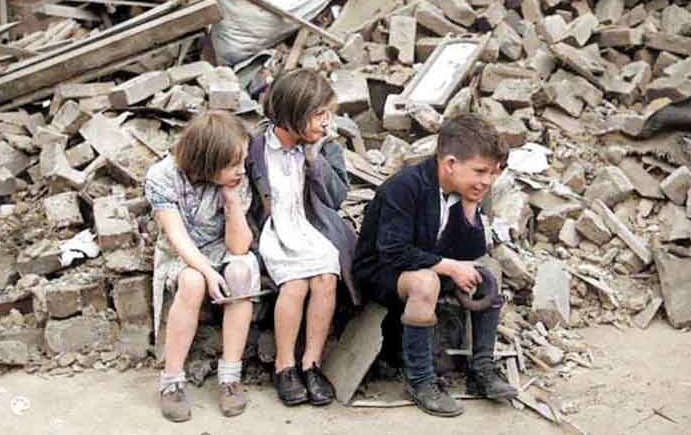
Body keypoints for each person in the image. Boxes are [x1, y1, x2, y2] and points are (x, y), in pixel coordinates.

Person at [353, 113, 518, 417]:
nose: (487, 181)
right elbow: (393, 252)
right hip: (382, 273)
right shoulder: (405, 187)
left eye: (491, 173)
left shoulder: (465, 189)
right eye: (480, 171)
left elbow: (472, 252)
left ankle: (481, 367)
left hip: (428, 264)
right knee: (426, 282)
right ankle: (420, 379)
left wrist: (469, 211)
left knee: (489, 273)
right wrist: (450, 268)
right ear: (451, 163)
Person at [246, 69, 360, 407]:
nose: (326, 122)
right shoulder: (256, 147)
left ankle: (312, 363)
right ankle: (285, 366)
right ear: (294, 113)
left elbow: (336, 199)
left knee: (325, 277)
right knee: (294, 284)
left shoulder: (326, 148)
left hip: (312, 226)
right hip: (276, 229)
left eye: (328, 114)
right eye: (318, 114)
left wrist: (315, 162)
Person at [145, 111, 261, 422]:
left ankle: (230, 376)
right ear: (207, 161)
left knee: (242, 270)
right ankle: (171, 381)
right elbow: (176, 236)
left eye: (242, 163)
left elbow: (238, 246)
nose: (240, 171)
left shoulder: (236, 181)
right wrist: (208, 272)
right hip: (179, 253)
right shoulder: (162, 176)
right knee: (194, 282)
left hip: (220, 247)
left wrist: (233, 201)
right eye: (231, 165)